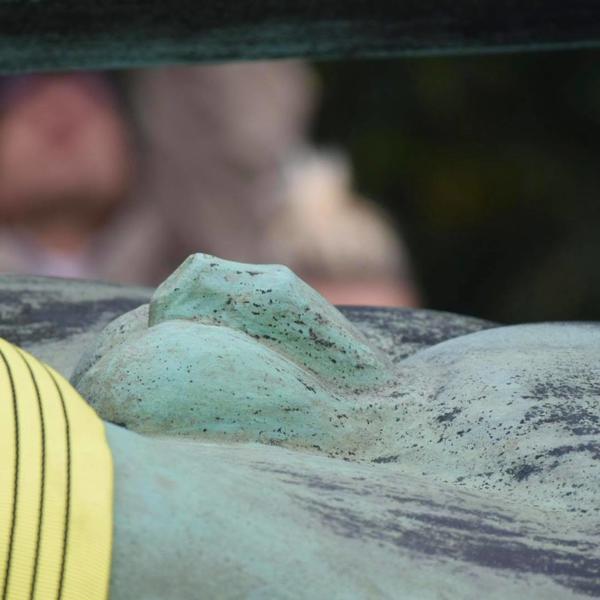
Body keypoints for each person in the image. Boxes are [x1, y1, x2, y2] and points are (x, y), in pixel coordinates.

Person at [0, 64, 419, 306]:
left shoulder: (201, 257)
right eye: (25, 102)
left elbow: (234, 132)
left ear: (130, 143)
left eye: (90, 101)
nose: (60, 113)